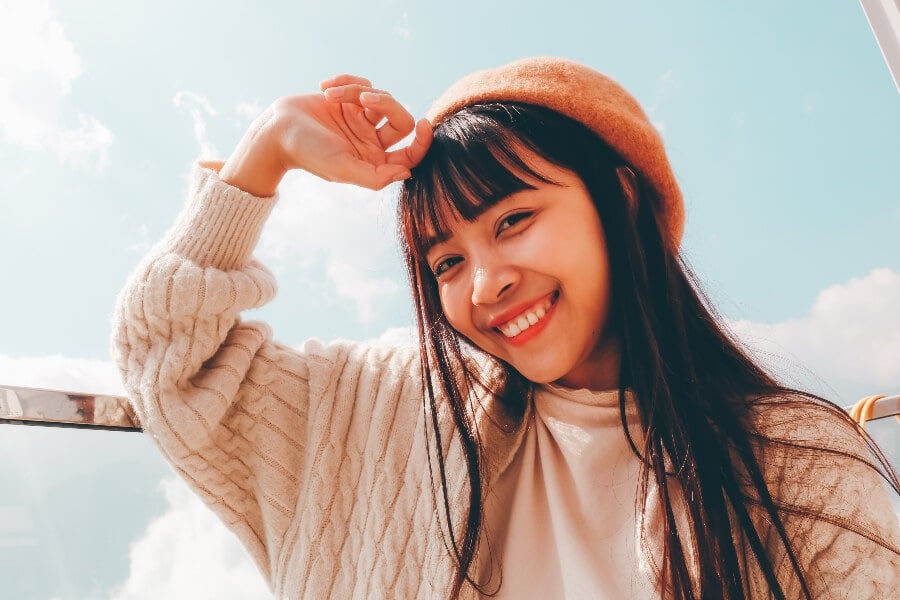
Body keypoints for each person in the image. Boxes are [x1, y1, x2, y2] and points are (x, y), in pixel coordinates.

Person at [111, 57, 900, 599]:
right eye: (445, 262)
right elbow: (169, 363)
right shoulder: (397, 415)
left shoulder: (797, 462)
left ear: (620, 200)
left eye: (514, 219)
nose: (486, 283)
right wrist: (269, 146)